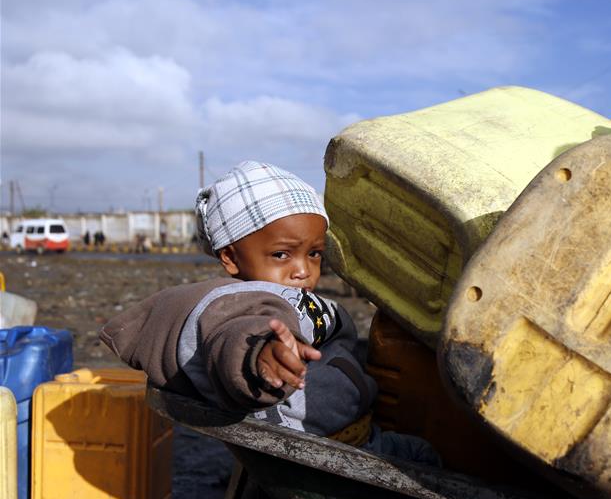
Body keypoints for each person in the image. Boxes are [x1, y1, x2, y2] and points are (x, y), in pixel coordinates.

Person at [99, 161, 438, 464]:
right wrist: (260, 359)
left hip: (359, 429)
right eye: (281, 255)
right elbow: (234, 335)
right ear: (231, 257)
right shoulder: (238, 302)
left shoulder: (288, 292)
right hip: (322, 453)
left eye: (315, 254)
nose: (303, 270)